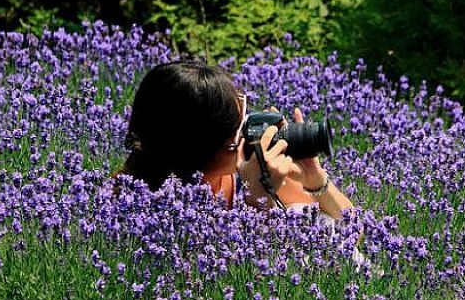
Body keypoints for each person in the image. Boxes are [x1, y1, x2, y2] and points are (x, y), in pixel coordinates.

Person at [116, 61, 354, 219]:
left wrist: (315, 179)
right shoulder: (139, 204)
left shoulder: (246, 166)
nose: (248, 131)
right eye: (238, 128)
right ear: (199, 151)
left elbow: (353, 233)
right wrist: (258, 201)